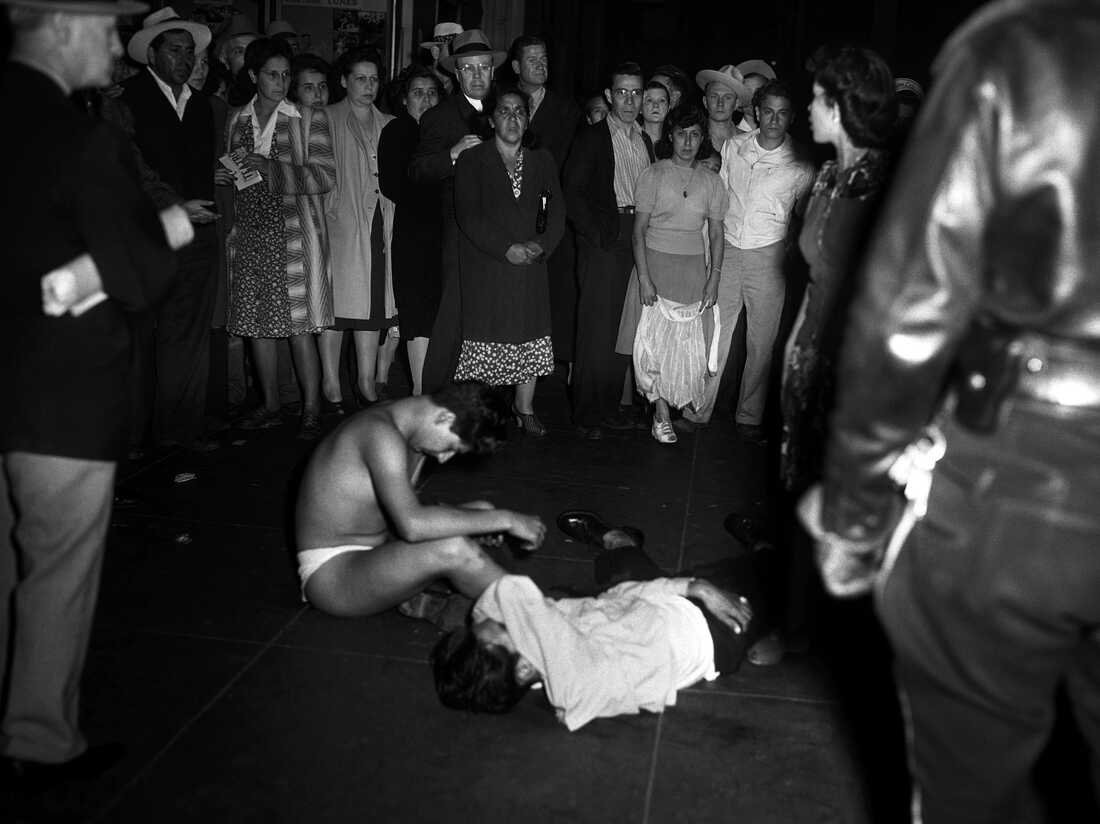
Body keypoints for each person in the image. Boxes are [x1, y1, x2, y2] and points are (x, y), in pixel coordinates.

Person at [805, 1, 1100, 821]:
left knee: (969, 786)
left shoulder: (1022, 47)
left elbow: (906, 316)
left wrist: (856, 519)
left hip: (1028, 476)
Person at [0, 0, 186, 785]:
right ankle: (40, 739)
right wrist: (170, 227)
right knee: (58, 572)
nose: (116, 47)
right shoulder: (85, 137)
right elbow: (140, 276)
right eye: (109, 30)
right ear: (64, 26)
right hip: (60, 397)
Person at [430, 530, 757, 730]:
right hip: (714, 631)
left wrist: (688, 586)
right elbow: (513, 591)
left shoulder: (540, 660)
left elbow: (614, 602)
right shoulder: (574, 669)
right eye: (507, 624)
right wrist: (698, 589)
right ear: (524, 666)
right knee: (775, 571)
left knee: (623, 578)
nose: (506, 616)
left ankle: (623, 546)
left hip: (640, 608)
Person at [294, 382, 547, 616]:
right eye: (451, 448)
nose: (444, 459)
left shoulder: (408, 424)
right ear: (445, 417)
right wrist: (505, 519)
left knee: (482, 510)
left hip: (376, 550)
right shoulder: (380, 434)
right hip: (333, 576)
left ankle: (454, 600)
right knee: (455, 548)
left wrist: (484, 519)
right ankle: (540, 619)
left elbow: (401, 516)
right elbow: (412, 526)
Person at [684, 79, 814, 436]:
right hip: (729, 249)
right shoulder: (734, 147)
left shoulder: (800, 164)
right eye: (767, 111)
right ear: (757, 112)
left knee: (761, 341)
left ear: (790, 119)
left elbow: (808, 214)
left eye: (782, 114)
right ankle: (699, 408)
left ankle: (749, 416)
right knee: (715, 334)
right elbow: (718, 198)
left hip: (768, 257)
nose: (773, 120)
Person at [222, 38, 336, 440]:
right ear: (253, 76)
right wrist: (223, 178)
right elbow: (233, 177)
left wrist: (271, 168)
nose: (281, 81)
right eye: (272, 73)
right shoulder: (236, 120)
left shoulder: (308, 117)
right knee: (256, 324)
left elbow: (324, 176)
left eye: (286, 74)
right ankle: (270, 404)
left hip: (293, 230)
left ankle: (310, 408)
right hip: (251, 230)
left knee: (300, 325)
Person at [119, 7, 221, 453]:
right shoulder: (125, 100)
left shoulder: (199, 105)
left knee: (188, 337)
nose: (183, 58)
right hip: (145, 235)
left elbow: (197, 165)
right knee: (139, 338)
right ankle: (133, 436)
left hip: (198, 235)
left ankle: (179, 432)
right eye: (174, 50)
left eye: (189, 51)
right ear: (152, 54)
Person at [452, 89, 566, 437]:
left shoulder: (542, 159)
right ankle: (482, 414)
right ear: (491, 119)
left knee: (529, 336)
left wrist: (539, 246)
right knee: (487, 340)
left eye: (520, 112)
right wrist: (506, 249)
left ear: (528, 119)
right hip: (489, 266)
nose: (513, 118)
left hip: (531, 266)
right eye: (505, 111)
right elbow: (468, 216)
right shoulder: (473, 160)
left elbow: (557, 212)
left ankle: (524, 408)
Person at [614, 104, 727, 443]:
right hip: (654, 265)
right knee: (651, 344)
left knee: (682, 346)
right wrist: (645, 278)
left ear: (702, 139)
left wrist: (714, 276)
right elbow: (638, 232)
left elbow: (718, 233)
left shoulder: (711, 181)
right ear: (671, 137)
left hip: (692, 269)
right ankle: (660, 414)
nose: (688, 142)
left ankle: (669, 407)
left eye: (694, 135)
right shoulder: (653, 174)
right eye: (681, 134)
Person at [411, 29, 506, 394]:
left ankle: (486, 398)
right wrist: (451, 155)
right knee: (455, 314)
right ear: (457, 73)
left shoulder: (507, 107)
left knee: (495, 315)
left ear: (493, 71)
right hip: (460, 230)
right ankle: (439, 396)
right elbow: (418, 171)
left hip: (502, 229)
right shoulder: (440, 116)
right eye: (469, 69)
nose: (478, 75)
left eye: (484, 67)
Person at [565, 61, 652, 440]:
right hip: (607, 235)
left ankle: (609, 407)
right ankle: (586, 414)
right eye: (622, 92)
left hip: (639, 237)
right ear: (608, 96)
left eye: (636, 92)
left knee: (625, 327)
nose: (630, 100)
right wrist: (597, 236)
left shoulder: (645, 139)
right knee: (597, 329)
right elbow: (572, 193)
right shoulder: (592, 137)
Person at [321, 48, 396, 409]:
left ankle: (366, 381)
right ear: (344, 81)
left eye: (374, 79)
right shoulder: (327, 118)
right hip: (341, 223)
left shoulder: (389, 123)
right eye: (360, 79)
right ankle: (331, 383)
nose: (369, 86)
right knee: (336, 308)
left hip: (380, 220)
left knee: (373, 305)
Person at [507, 34, 581, 367]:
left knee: (548, 293)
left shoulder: (566, 109)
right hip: (505, 212)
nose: (541, 65)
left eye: (545, 59)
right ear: (516, 66)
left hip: (547, 213)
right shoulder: (503, 103)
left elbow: (567, 167)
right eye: (533, 59)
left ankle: (544, 366)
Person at [378, 65, 443, 397]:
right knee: (416, 315)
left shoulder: (447, 132)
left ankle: (436, 389)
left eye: (432, 92)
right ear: (404, 99)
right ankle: (419, 390)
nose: (426, 99)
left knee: (442, 314)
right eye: (418, 93)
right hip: (414, 235)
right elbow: (393, 186)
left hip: (447, 236)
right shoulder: (396, 132)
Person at [695, 64, 749, 152]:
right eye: (714, 96)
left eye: (727, 97)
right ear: (705, 101)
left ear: (736, 104)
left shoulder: (748, 142)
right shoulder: (693, 140)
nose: (720, 103)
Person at [419, 21, 462, 97]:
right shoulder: (420, 83)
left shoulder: (461, 86)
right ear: (436, 52)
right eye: (453, 49)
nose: (461, 55)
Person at [733, 58, 776, 133]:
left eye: (758, 92)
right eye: (748, 92)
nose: (753, 98)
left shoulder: (780, 135)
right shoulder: (731, 138)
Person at [638, 79, 670, 160]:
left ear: (668, 108)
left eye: (662, 100)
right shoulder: (631, 139)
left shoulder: (674, 141)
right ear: (640, 108)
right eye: (649, 100)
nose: (656, 105)